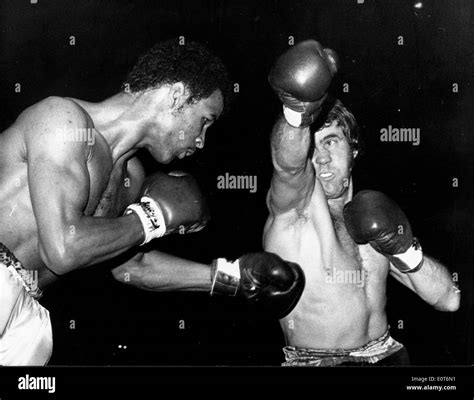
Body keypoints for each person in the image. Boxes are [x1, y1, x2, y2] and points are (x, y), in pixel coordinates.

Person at [0, 38, 304, 365]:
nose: (202, 142)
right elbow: (63, 249)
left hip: (29, 310)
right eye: (205, 120)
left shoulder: (130, 177)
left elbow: (132, 267)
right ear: (176, 95)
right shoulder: (63, 120)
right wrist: (150, 219)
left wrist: (235, 279)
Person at [263, 39, 461, 366]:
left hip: (390, 355)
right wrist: (297, 111)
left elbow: (448, 299)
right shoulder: (293, 213)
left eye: (331, 142)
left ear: (353, 150)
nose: (321, 158)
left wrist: (404, 249)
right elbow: (287, 165)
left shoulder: (372, 217)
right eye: (311, 148)